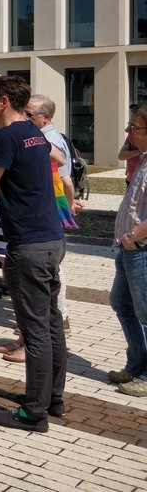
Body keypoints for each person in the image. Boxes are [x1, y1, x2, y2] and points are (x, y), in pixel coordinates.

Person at [0, 75, 65, 432]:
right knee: (50, 321)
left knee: (35, 330)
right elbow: (55, 159)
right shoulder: (35, 131)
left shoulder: (4, 136)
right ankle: (52, 399)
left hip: (26, 244)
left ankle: (34, 412)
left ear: (2, 101)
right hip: (51, 238)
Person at [108, 103, 147, 397]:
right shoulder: (144, 157)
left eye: (134, 127)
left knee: (145, 312)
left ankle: (144, 376)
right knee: (122, 304)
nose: (128, 131)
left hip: (140, 248)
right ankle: (135, 365)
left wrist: (134, 236)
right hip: (128, 246)